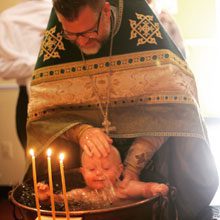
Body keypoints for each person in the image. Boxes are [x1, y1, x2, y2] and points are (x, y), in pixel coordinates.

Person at [25, 0, 219, 220]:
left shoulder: (144, 33)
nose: (80, 41)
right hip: (87, 172)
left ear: (106, 10)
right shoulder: (62, 42)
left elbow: (175, 109)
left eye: (89, 32)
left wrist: (133, 166)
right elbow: (44, 116)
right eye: (71, 34)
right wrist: (80, 131)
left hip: (152, 158)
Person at [0, 0, 52, 149]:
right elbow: (2, 67)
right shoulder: (9, 19)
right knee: (35, 163)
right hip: (28, 98)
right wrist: (40, 64)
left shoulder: (68, 10)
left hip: (71, 96)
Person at [37, 146, 168, 204]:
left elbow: (144, 189)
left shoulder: (123, 189)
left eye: (106, 168)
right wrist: (48, 196)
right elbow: (61, 200)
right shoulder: (81, 194)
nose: (99, 173)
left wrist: (154, 188)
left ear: (119, 170)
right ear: (82, 172)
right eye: (92, 169)